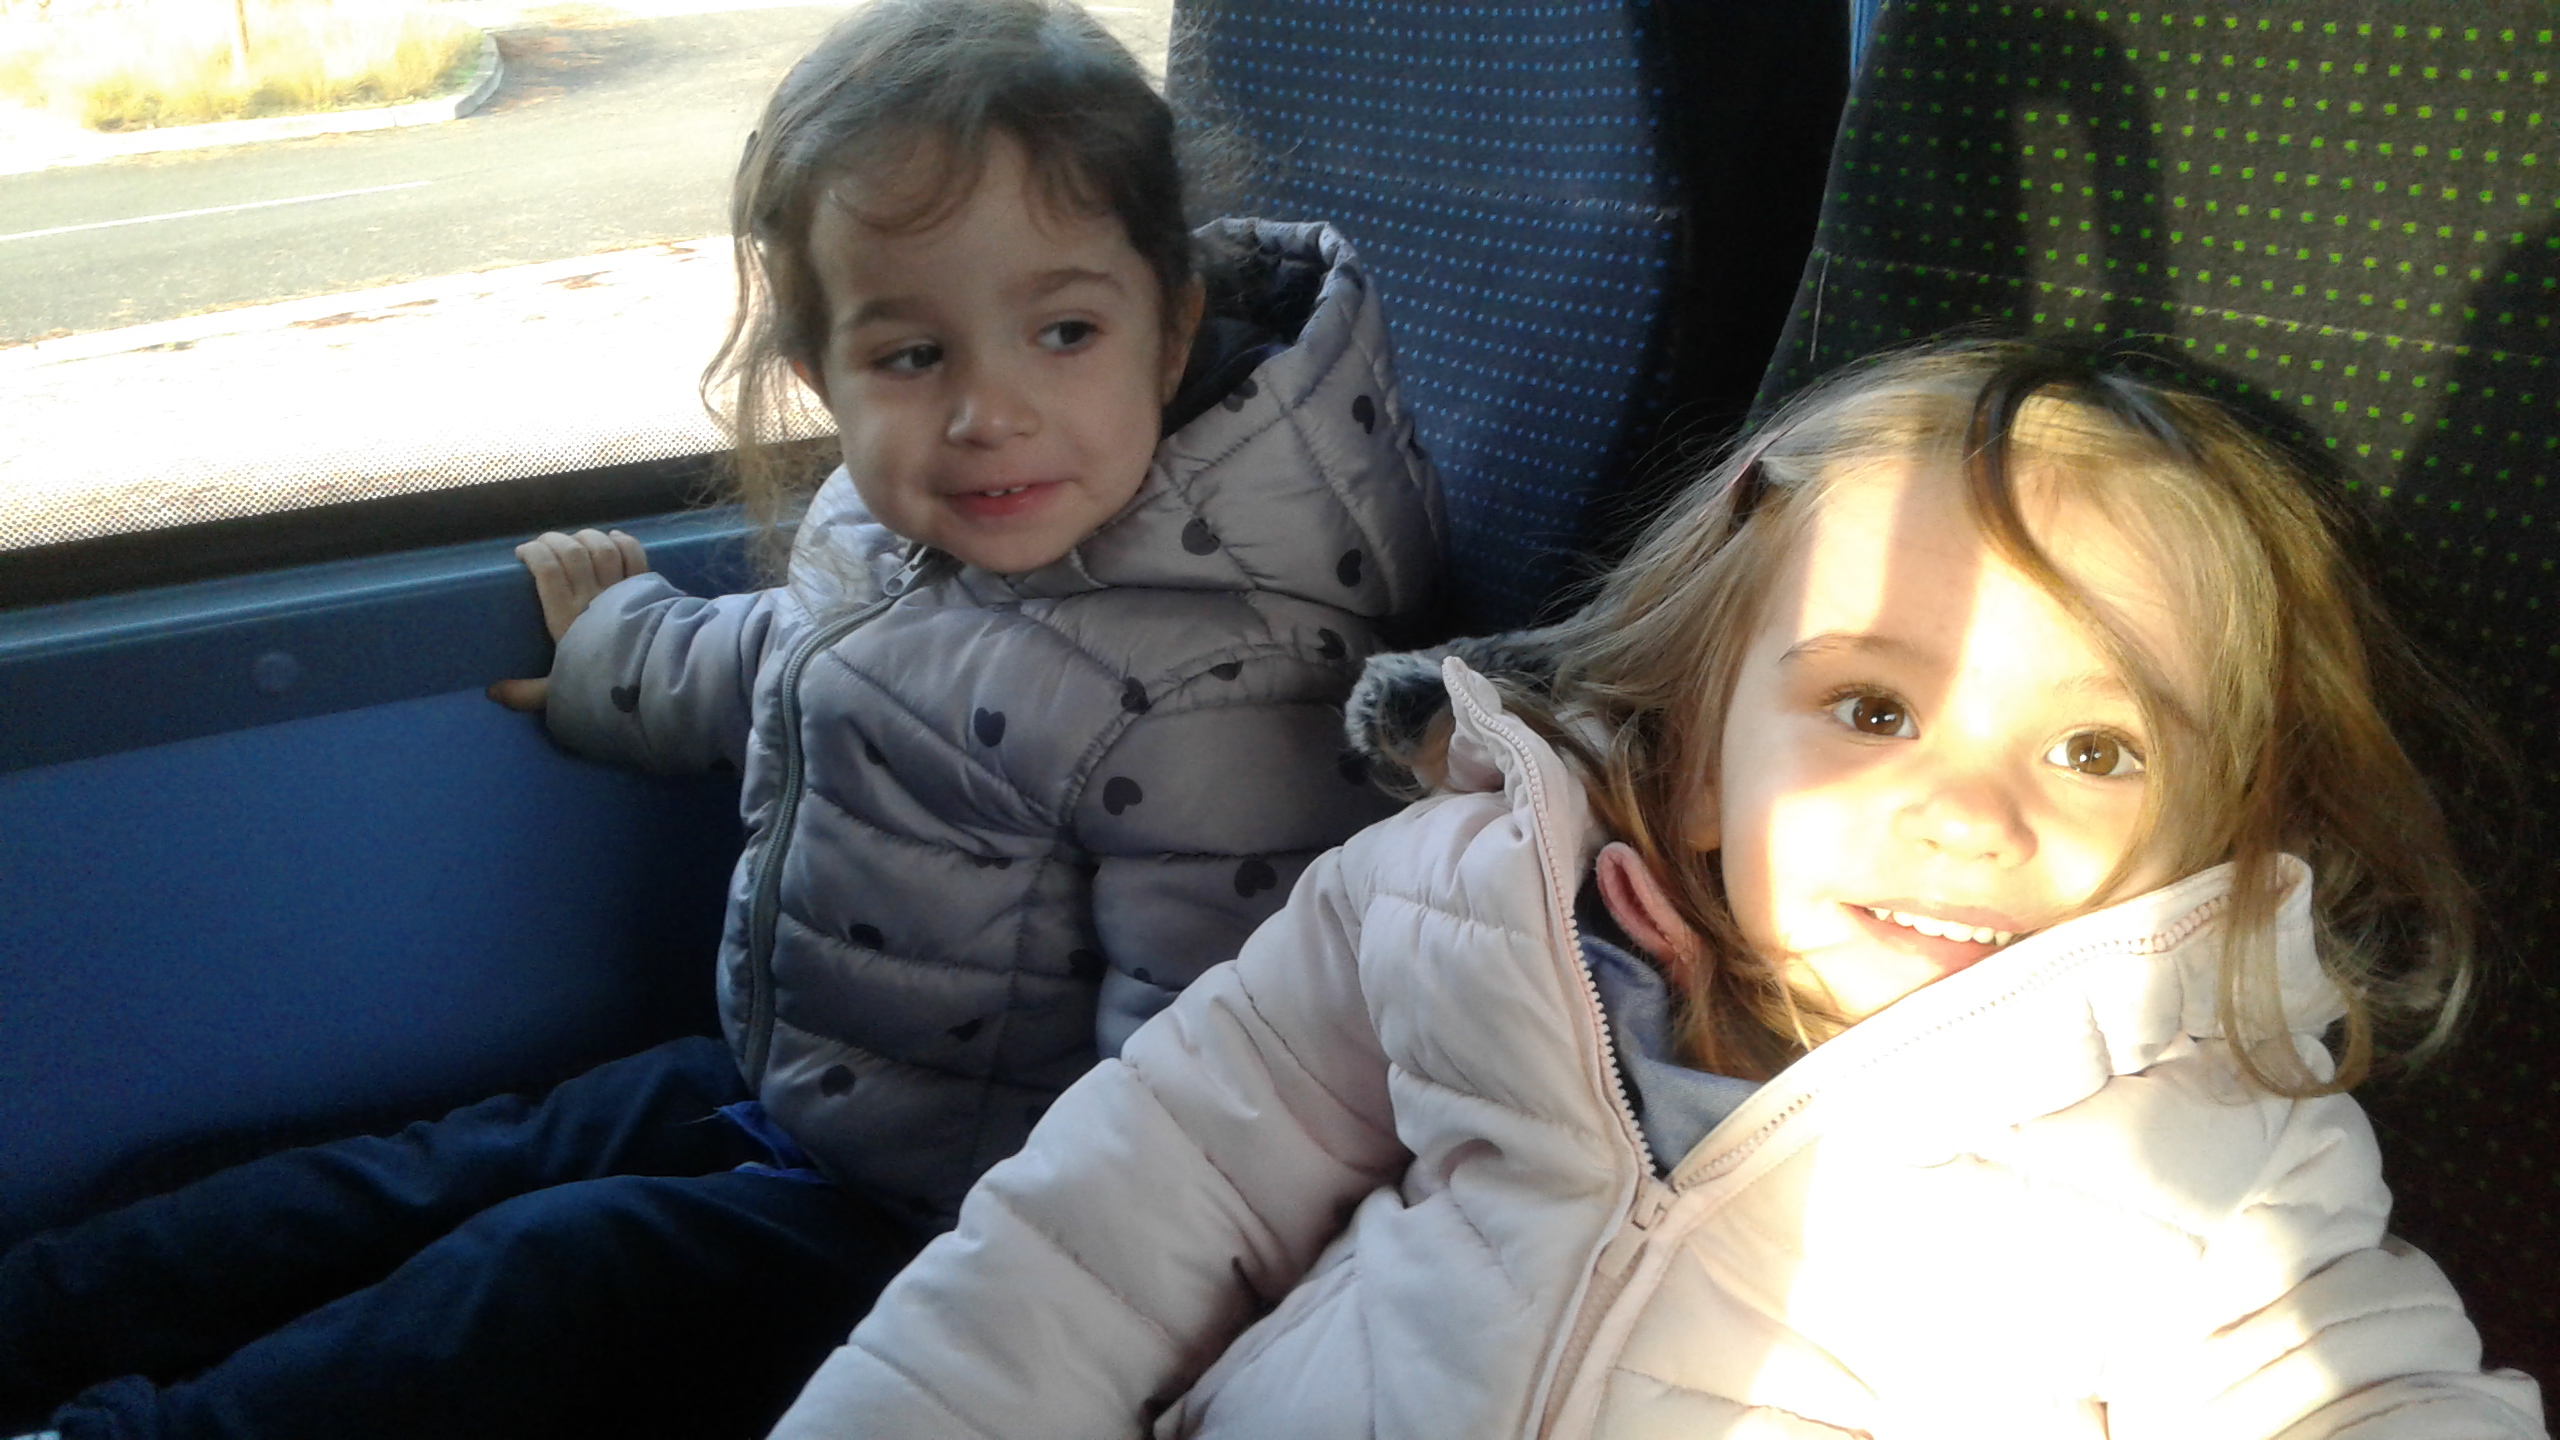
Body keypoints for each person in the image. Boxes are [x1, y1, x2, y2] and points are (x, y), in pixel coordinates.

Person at [0, 2, 1438, 1437]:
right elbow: (798, 658)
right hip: (808, 1083)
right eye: (913, 356)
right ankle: (42, 1310)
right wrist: (617, 654)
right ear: (821, 373)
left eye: (1064, 332)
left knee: (547, 1274)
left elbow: (1192, 1112)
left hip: (954, 1247)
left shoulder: (1226, 693)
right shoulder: (897, 531)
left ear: (1169, 329)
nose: (988, 412)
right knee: (445, 1165)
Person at [767, 338, 2546, 1439]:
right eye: (1874, 710)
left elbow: (2364, 1398)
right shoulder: (1456, 902)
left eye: (2098, 749)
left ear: (2216, 823)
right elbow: (1104, 1231)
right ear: (1701, 763)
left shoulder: (2209, 1145)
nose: (1967, 815)